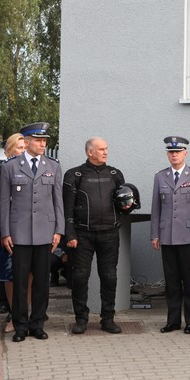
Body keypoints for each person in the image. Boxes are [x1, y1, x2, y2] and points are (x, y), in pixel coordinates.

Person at [0, 122, 64, 343]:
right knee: (19, 282)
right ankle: (20, 326)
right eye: (38, 140)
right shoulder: (10, 167)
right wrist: (5, 232)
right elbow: (3, 204)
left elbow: (58, 202)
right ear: (26, 142)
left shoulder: (53, 166)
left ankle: (37, 324)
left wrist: (59, 230)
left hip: (45, 233)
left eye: (45, 140)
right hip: (19, 234)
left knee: (42, 283)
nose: (43, 144)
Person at [63, 137, 127, 335]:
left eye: (106, 149)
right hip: (82, 235)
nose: (105, 152)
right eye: (101, 149)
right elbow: (67, 209)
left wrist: (127, 206)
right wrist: (70, 234)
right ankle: (81, 319)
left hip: (109, 234)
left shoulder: (115, 174)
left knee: (109, 277)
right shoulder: (74, 175)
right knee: (80, 277)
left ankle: (108, 319)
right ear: (90, 152)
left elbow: (122, 205)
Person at [151, 136, 190, 335]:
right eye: (171, 152)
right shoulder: (160, 177)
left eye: (178, 151)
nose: (174, 155)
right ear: (168, 154)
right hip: (167, 237)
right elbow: (156, 209)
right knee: (171, 281)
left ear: (185, 153)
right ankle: (173, 321)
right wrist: (154, 234)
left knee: (188, 280)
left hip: (188, 236)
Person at [0, 133, 27, 317]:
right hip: (7, 227)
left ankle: (23, 308)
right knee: (6, 269)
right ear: (9, 150)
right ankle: (5, 303)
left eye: (24, 147)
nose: (23, 151)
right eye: (19, 148)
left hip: (26, 227)